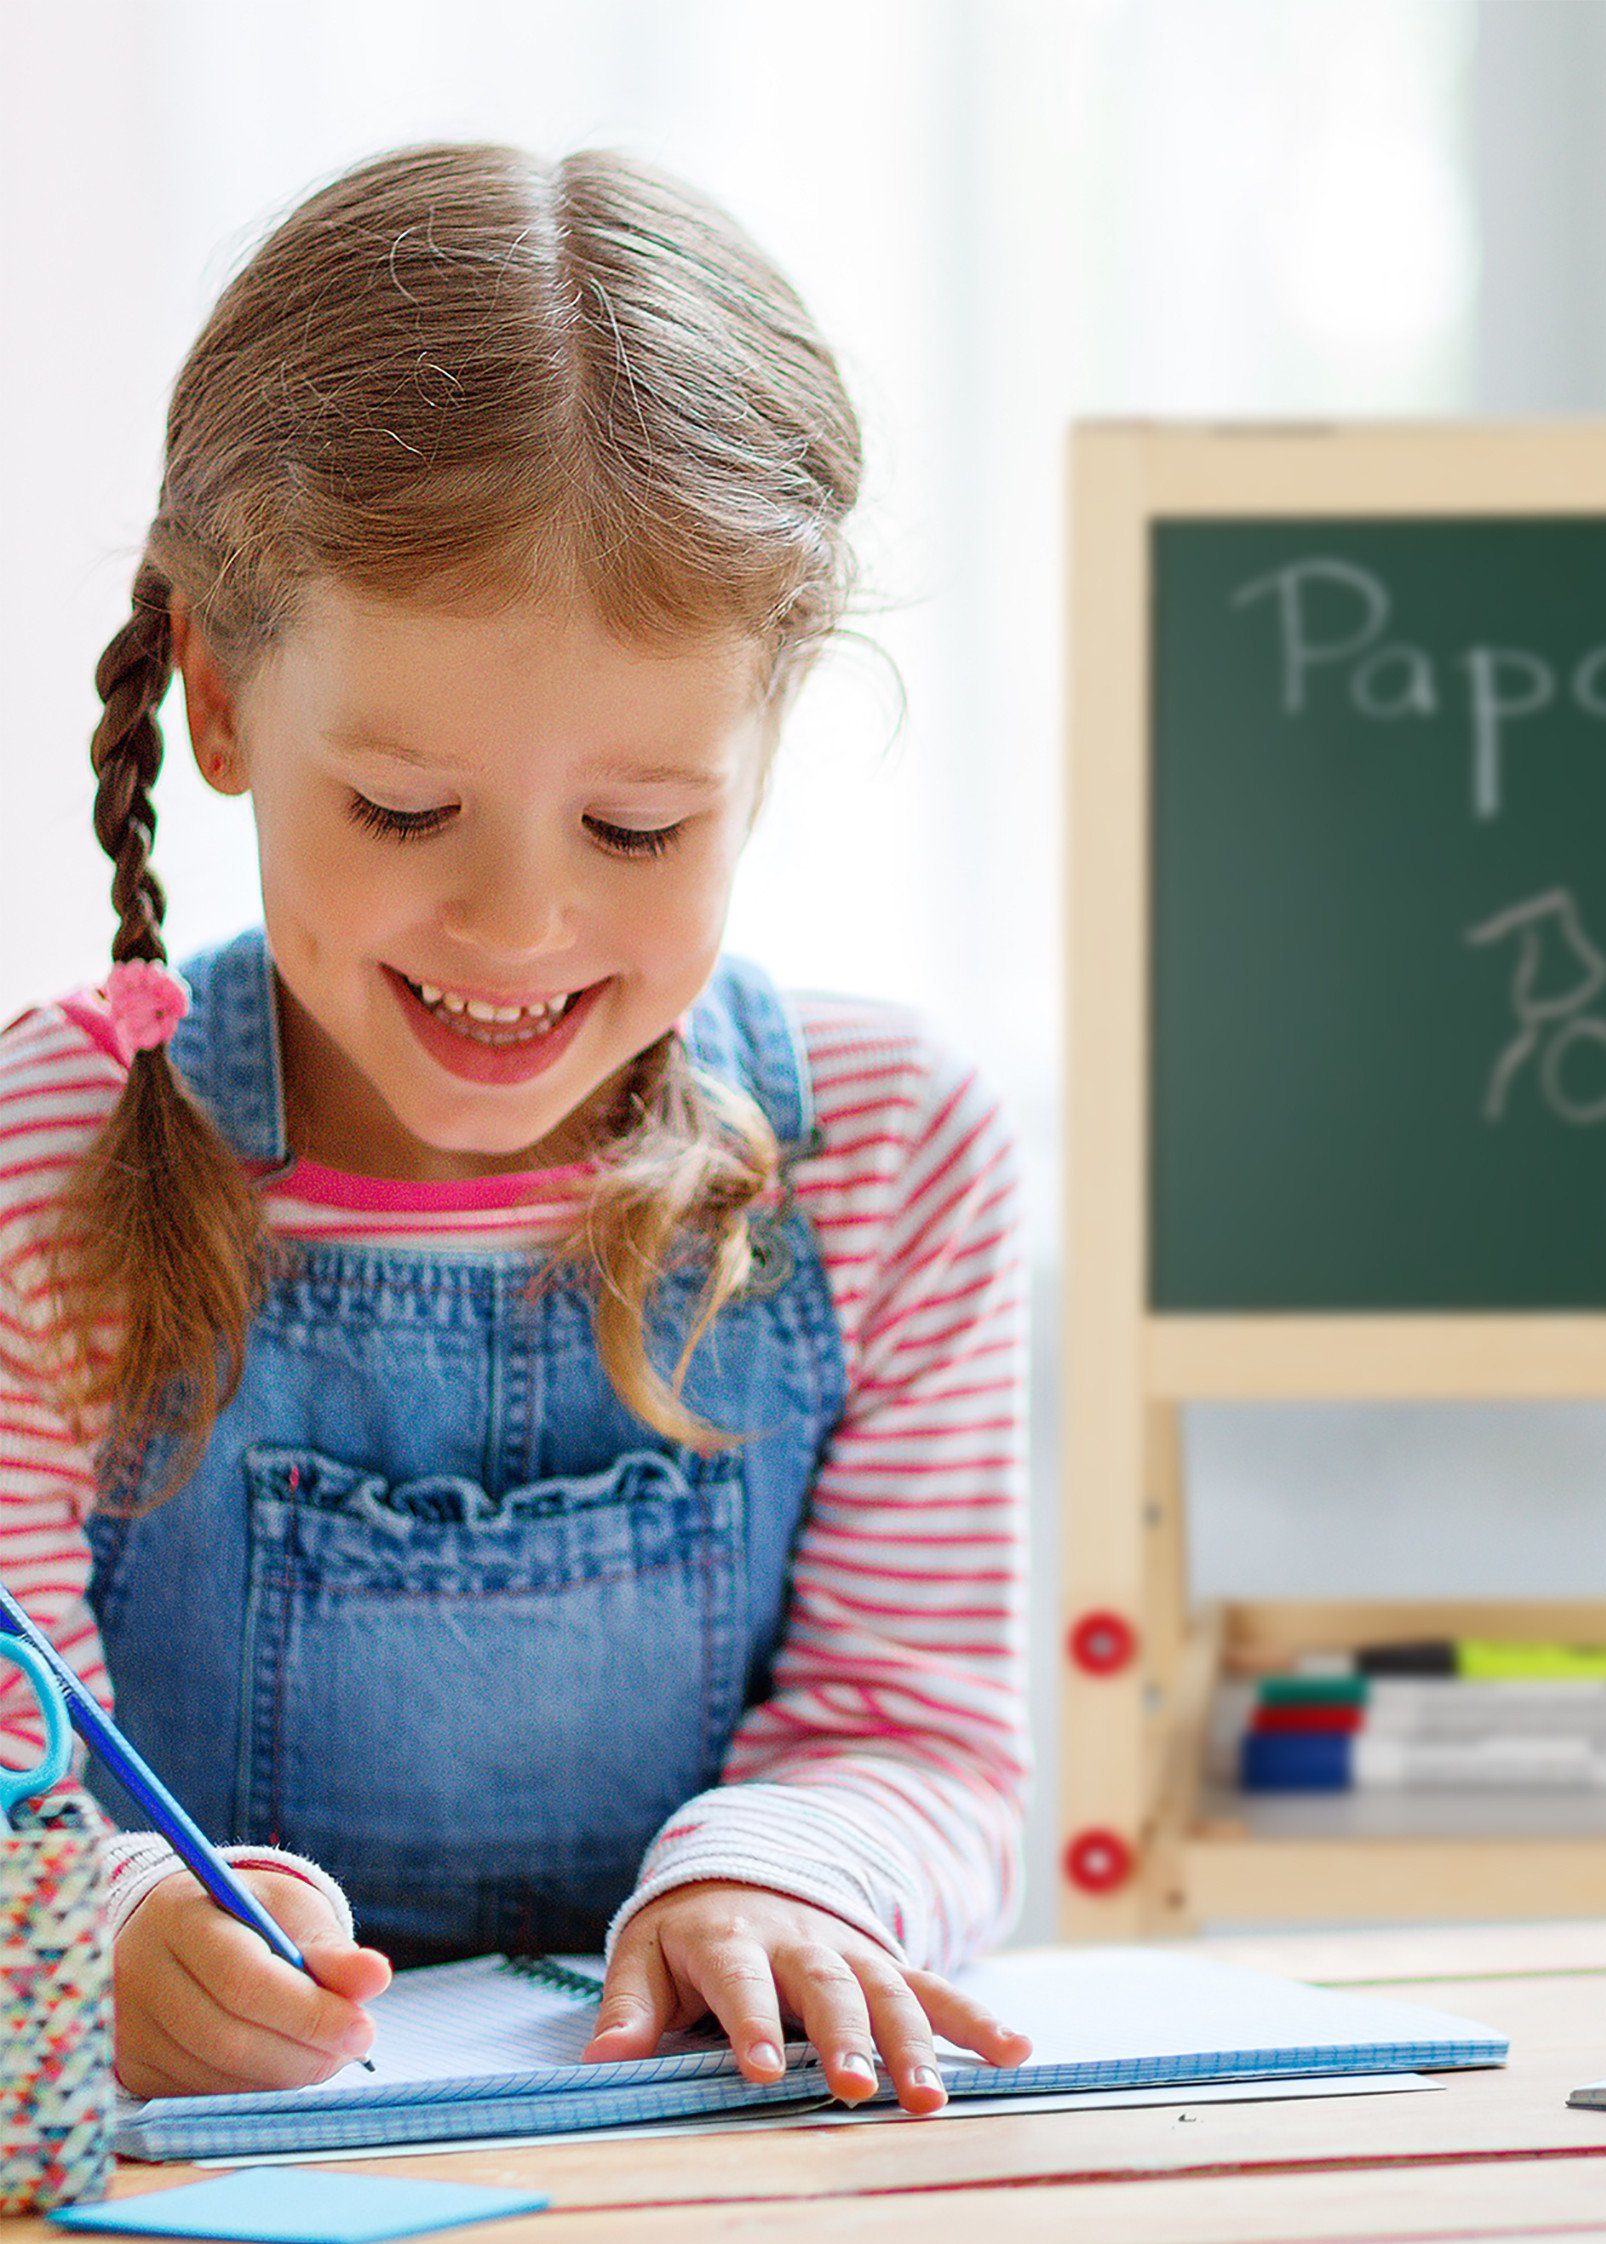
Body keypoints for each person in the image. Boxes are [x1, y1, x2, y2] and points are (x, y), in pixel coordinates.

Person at [0, 142, 1031, 2112]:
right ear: (215, 700)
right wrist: (98, 1931)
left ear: (768, 740)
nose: (519, 925)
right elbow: (7, 1774)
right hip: (208, 2231)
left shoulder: (892, 1151)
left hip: (723, 2193)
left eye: (636, 829)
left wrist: (791, 1874)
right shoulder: (43, 1142)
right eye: (404, 810)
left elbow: (920, 1731)